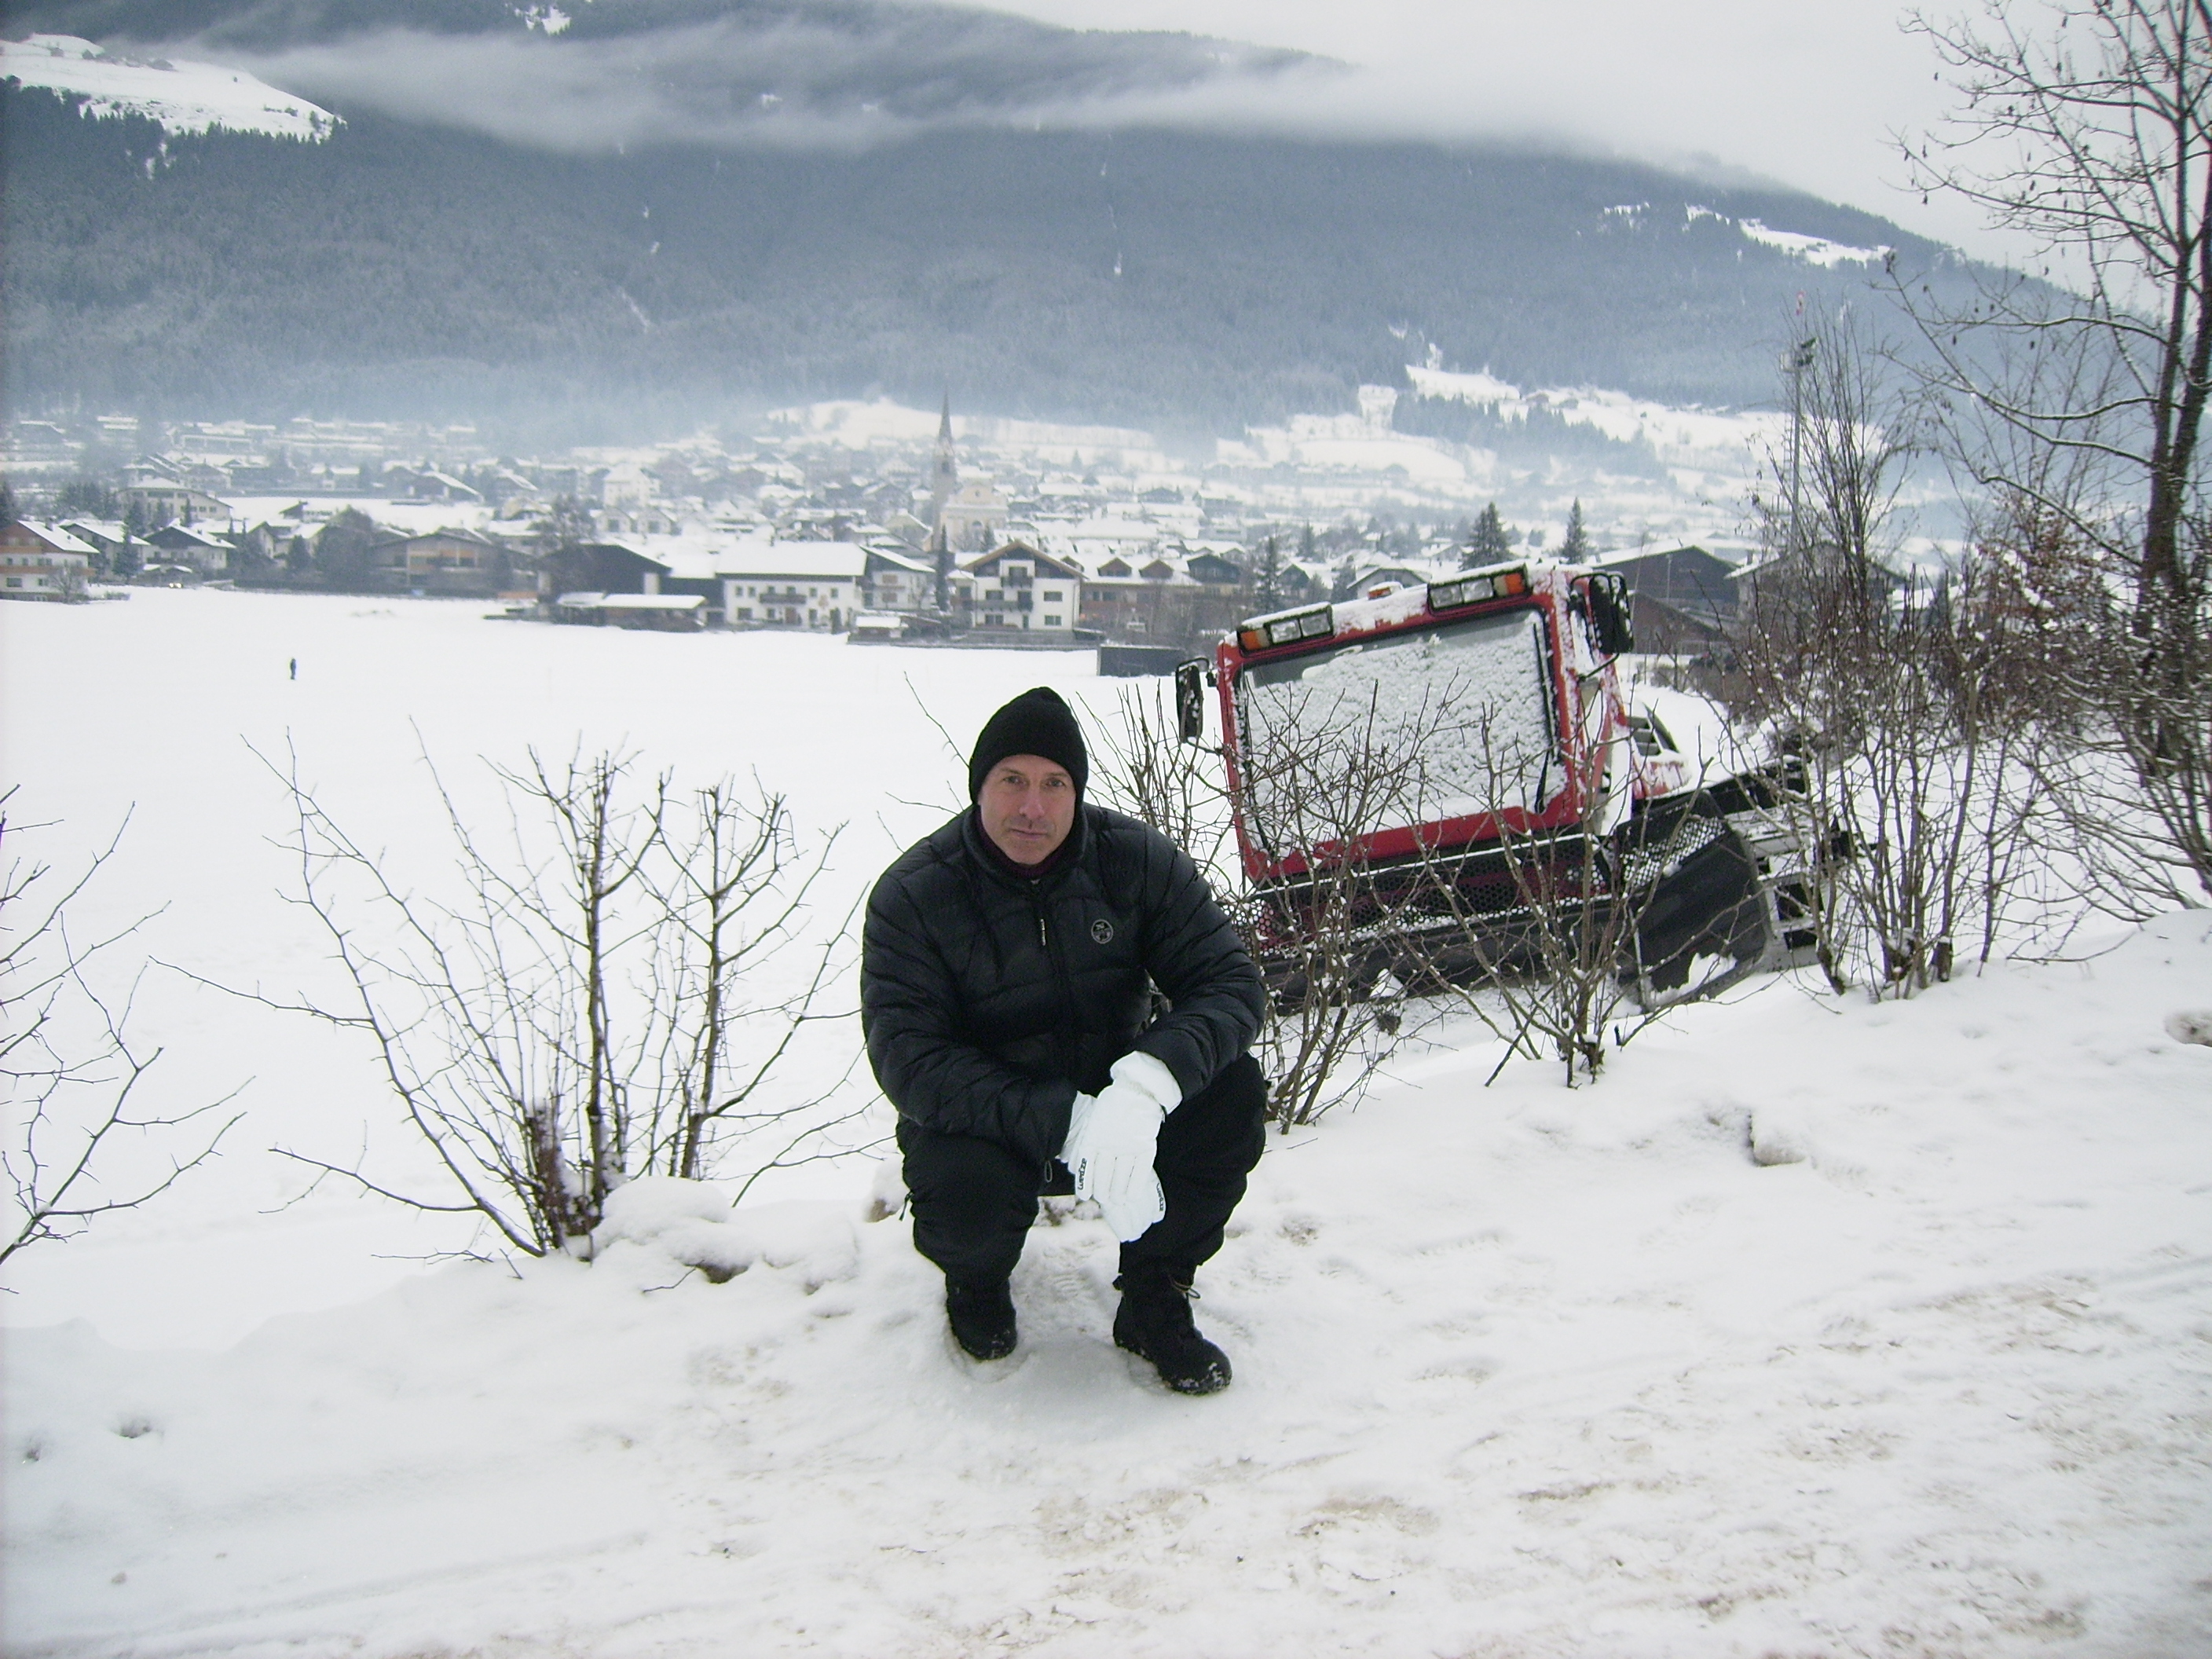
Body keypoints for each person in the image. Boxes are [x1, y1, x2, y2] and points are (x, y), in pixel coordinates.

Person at [862, 686, 1268, 1393]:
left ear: (1077, 792)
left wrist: (1144, 1089)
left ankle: (1154, 1294)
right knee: (961, 1191)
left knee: (1232, 1092)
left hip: (1123, 1112)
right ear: (978, 787)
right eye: (1012, 781)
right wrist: (1066, 1119)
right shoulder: (914, 896)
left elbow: (1229, 983)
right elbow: (910, 1058)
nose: (1033, 807)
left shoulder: (1134, 861)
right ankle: (977, 1281)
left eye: (1055, 785)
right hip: (993, 1126)